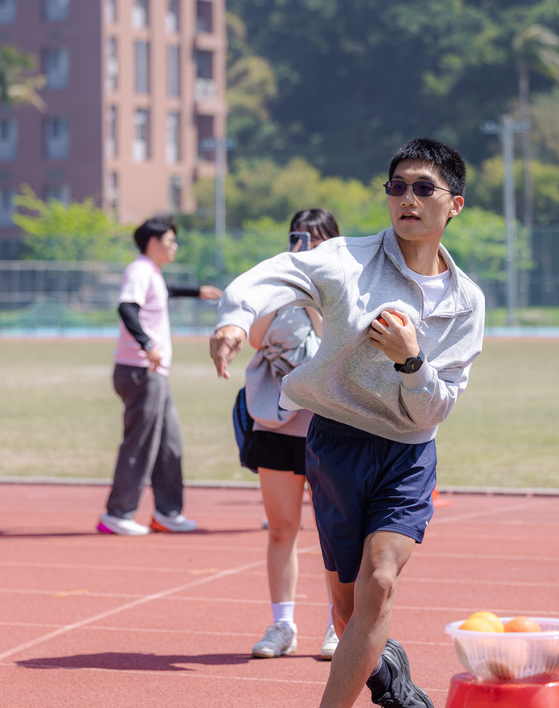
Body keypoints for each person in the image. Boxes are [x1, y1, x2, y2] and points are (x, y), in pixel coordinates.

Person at [210, 138, 485, 708]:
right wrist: (235, 319)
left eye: (424, 188)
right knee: (347, 609)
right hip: (336, 442)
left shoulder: (466, 302)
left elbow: (436, 407)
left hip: (407, 452)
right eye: (397, 187)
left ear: (454, 204)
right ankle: (388, 674)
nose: (408, 199)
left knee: (378, 581)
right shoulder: (346, 261)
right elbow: (273, 274)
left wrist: (411, 362)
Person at [245, 209, 341, 661]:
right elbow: (255, 337)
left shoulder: (345, 289)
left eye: (319, 241)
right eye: (301, 240)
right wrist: (284, 283)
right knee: (282, 528)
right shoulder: (277, 285)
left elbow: (335, 343)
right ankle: (282, 625)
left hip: (330, 425)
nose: (308, 249)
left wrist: (312, 295)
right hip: (278, 422)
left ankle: (339, 623)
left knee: (335, 531)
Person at [97, 215, 222, 537]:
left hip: (154, 374)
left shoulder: (151, 273)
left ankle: (167, 513)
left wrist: (197, 292)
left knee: (169, 445)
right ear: (153, 243)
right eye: (170, 241)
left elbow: (166, 292)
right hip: (141, 371)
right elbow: (126, 307)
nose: (175, 246)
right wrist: (147, 344)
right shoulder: (139, 270)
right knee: (140, 445)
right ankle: (117, 513)